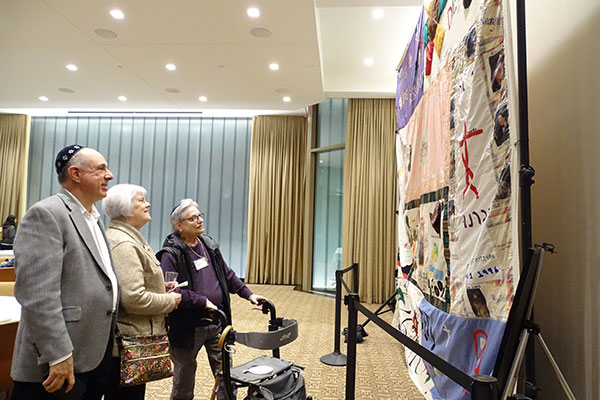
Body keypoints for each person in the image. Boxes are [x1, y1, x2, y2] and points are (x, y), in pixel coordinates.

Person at [10, 145, 117, 400]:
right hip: (58, 360)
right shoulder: (47, 213)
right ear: (75, 173)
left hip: (92, 351)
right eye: (101, 169)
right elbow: (37, 295)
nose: (109, 175)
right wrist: (57, 354)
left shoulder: (94, 217)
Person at [157, 198, 267, 400]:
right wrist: (202, 302)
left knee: (226, 374)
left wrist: (248, 294)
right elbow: (171, 292)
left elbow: (227, 274)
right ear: (178, 225)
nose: (199, 220)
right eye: (193, 218)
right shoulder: (170, 254)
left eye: (200, 216)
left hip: (217, 321)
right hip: (187, 326)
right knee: (184, 378)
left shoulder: (208, 245)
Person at [102, 184, 182, 400]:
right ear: (125, 209)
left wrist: (157, 288)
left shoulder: (129, 237)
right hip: (129, 345)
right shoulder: (124, 243)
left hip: (132, 341)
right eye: (140, 200)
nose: (147, 204)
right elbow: (133, 298)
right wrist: (169, 300)